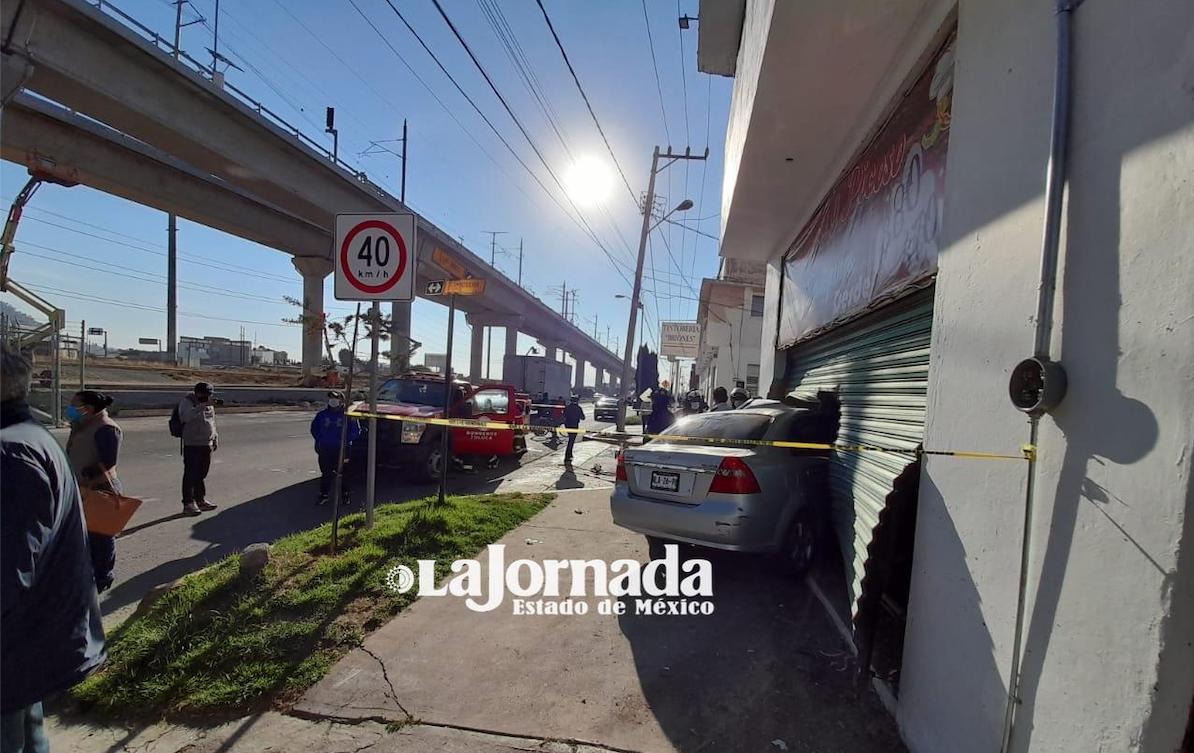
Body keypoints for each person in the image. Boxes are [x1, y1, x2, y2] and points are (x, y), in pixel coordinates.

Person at [2, 343, 106, 751]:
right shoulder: (29, 437)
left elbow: (6, 569)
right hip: (25, 645)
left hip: (14, 644)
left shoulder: (10, 452)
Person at [65, 390, 122, 593]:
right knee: (82, 535)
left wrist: (88, 471)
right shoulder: (82, 426)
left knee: (102, 537)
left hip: (99, 489)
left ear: (87, 409)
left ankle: (102, 577)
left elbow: (108, 460)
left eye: (73, 405)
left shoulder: (106, 428)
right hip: (79, 488)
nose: (69, 409)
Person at [310, 390, 361, 506]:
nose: (333, 401)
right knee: (326, 472)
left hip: (343, 450)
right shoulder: (322, 415)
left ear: (341, 401)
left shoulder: (348, 415)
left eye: (336, 398)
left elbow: (356, 431)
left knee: (344, 473)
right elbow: (314, 429)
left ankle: (345, 494)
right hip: (326, 449)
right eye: (331, 398)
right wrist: (321, 440)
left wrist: (345, 440)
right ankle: (324, 494)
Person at [177, 382, 219, 516]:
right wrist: (200, 406)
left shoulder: (209, 404)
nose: (207, 397)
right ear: (197, 393)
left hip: (207, 443)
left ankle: (200, 500)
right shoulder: (187, 402)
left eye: (209, 395)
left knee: (202, 474)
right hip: (192, 443)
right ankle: (188, 503)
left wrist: (215, 437)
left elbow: (211, 421)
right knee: (190, 474)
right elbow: (185, 417)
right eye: (205, 394)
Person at [562, 394, 585, 465]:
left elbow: (563, 416)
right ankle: (567, 456)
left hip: (567, 425)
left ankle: (570, 454)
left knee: (570, 440)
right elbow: (583, 417)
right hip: (574, 426)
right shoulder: (578, 408)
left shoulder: (567, 407)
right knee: (571, 441)